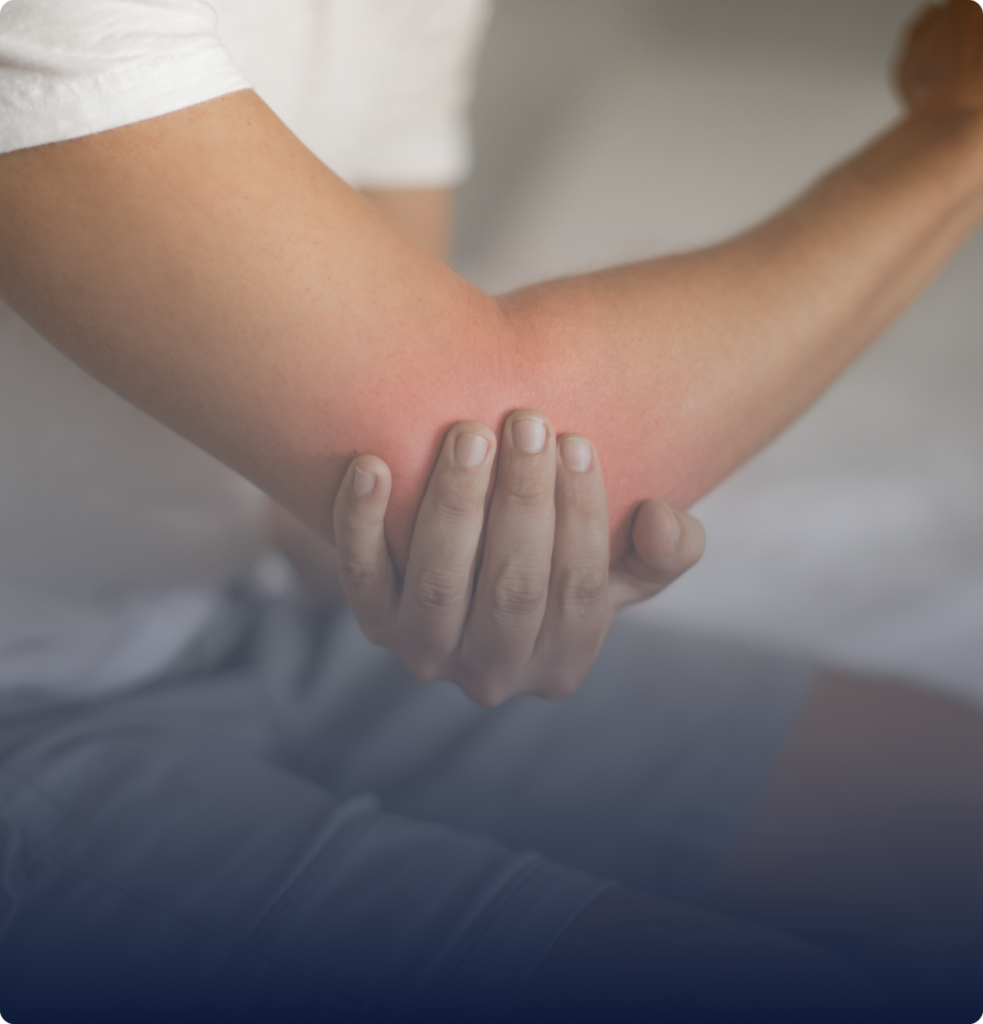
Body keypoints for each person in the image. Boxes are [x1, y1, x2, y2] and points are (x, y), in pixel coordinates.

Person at [0, 1, 982, 1021]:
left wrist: (469, 569)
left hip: (218, 614)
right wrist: (959, 125)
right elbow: (495, 424)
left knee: (953, 810)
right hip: (20, 699)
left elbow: (362, 494)